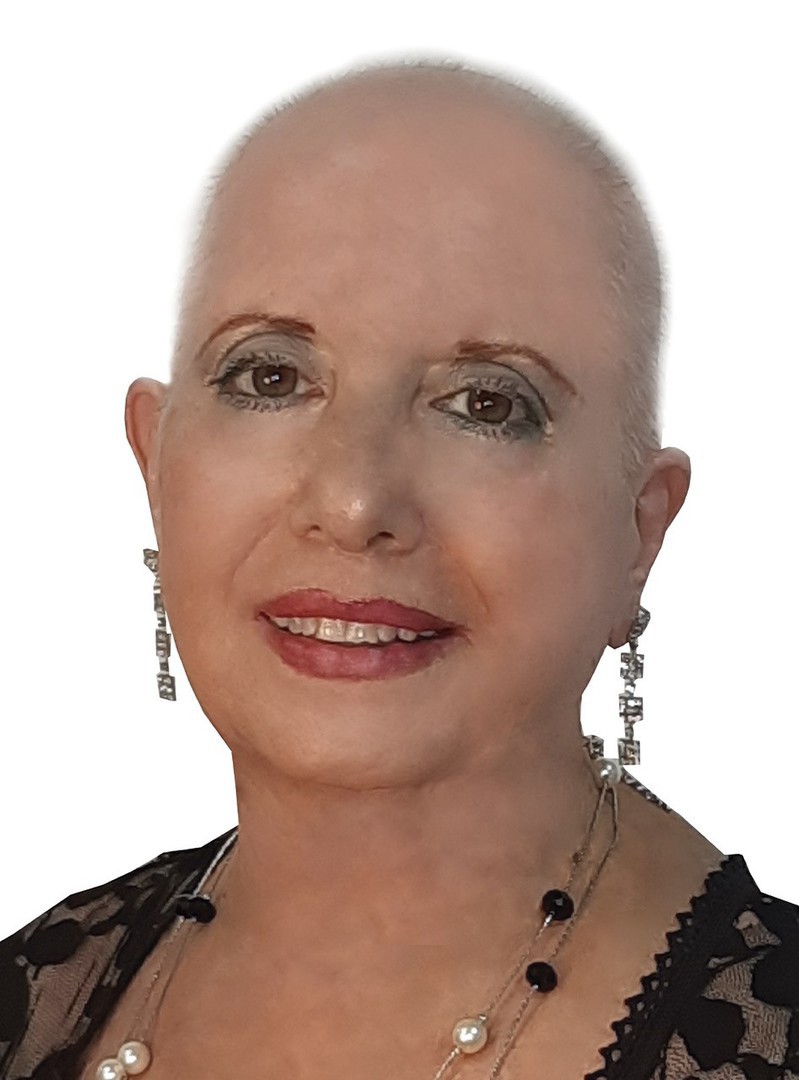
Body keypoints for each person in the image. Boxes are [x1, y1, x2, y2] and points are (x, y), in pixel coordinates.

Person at [1, 58, 797, 1080]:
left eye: (486, 403)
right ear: (156, 465)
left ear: (640, 530)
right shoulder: (29, 996)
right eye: (270, 376)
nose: (352, 500)